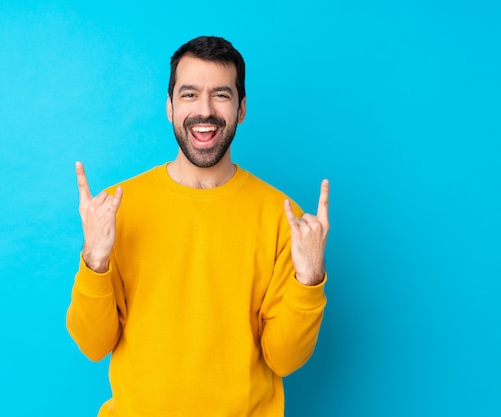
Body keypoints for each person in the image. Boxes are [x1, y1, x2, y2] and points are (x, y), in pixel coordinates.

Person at [67, 36, 329, 417]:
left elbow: (284, 360)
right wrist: (95, 259)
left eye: (221, 95)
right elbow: (93, 344)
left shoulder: (282, 217)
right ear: (169, 107)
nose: (204, 111)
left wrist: (309, 280)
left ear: (241, 109)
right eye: (189, 94)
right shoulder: (116, 209)